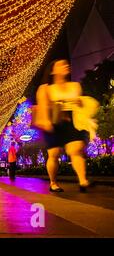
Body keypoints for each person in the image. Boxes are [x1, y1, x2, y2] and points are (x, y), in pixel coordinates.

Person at [35, 59, 93, 192]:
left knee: (75, 150)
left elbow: (80, 104)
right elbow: (43, 107)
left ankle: (83, 181)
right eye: (61, 65)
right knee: (54, 153)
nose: (66, 66)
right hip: (53, 120)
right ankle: (53, 182)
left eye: (66, 64)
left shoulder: (75, 86)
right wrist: (46, 122)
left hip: (72, 121)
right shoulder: (45, 88)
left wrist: (79, 103)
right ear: (53, 71)